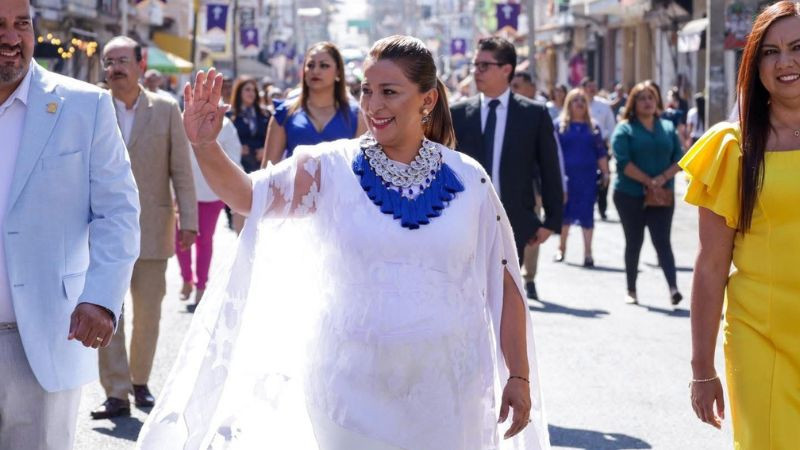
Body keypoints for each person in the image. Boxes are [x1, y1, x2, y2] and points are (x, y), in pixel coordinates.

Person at [137, 35, 549, 449]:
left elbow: (504, 284)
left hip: (451, 398)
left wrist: (518, 374)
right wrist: (204, 145)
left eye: (389, 92)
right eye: (366, 91)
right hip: (348, 398)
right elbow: (248, 195)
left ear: (427, 101)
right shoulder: (328, 167)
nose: (373, 105)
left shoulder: (469, 178)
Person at [0, 1, 140, 448]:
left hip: (42, 339)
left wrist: (100, 297)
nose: (11, 37)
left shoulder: (85, 105)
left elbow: (117, 211)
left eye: (21, 24)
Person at [681, 2, 800, 447]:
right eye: (770, 52)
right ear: (755, 65)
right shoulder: (731, 147)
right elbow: (711, 266)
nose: (785, 61)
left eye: (796, 47)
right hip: (760, 338)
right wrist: (701, 369)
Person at [93, 36, 198, 420]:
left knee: (150, 313)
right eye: (109, 61)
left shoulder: (167, 109)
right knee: (107, 311)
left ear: (140, 64)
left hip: (152, 228)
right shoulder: (91, 107)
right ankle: (116, 392)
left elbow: (181, 170)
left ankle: (140, 381)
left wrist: (189, 220)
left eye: (122, 59)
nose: (115, 67)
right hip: (101, 231)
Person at [451, 37, 563, 302]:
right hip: (464, 220)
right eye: (474, 65)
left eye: (483, 66)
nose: (475, 72)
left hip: (514, 222)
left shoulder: (534, 114)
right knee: (468, 299)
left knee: (504, 301)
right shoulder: (457, 113)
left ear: (506, 69)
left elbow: (550, 169)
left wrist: (551, 221)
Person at [610, 82, 683, 307]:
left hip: (662, 195)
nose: (648, 102)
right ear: (633, 103)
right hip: (629, 194)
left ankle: (673, 288)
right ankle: (631, 289)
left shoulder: (668, 127)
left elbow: (680, 159)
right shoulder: (625, 129)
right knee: (634, 241)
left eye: (651, 97)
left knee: (662, 241)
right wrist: (647, 181)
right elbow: (623, 162)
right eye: (642, 98)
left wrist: (660, 180)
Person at [263, 42, 367, 166]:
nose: (315, 71)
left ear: (338, 72)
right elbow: (267, 171)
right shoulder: (283, 114)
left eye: (324, 65)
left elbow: (362, 170)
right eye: (310, 65)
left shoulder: (357, 116)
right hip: (294, 185)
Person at [177, 115, 243, 310]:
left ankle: (201, 287)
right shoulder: (182, 119)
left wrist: (231, 190)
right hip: (183, 191)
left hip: (212, 192)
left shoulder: (226, 124)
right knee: (179, 239)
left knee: (204, 240)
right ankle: (187, 278)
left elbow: (234, 158)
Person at [553, 89, 609, 267]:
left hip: (587, 177)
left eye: (582, 101)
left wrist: (606, 172)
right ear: (568, 103)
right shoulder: (560, 126)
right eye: (575, 100)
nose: (579, 104)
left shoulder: (594, 127)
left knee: (587, 213)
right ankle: (561, 248)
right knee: (565, 213)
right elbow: (553, 153)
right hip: (565, 177)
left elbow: (601, 152)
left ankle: (588, 253)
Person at [581, 77, 615, 221]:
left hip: (601, 146)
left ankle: (602, 207)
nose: (592, 89)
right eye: (589, 86)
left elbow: (611, 126)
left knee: (604, 177)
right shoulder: (577, 104)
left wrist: (606, 140)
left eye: (594, 86)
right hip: (582, 148)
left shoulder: (604, 106)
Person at [230, 76, 270, 173]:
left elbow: (273, 137)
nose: (251, 93)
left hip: (261, 166)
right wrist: (237, 148)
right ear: (239, 92)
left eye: (254, 90)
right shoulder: (230, 116)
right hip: (239, 167)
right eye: (247, 90)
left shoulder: (265, 114)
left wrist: (266, 150)